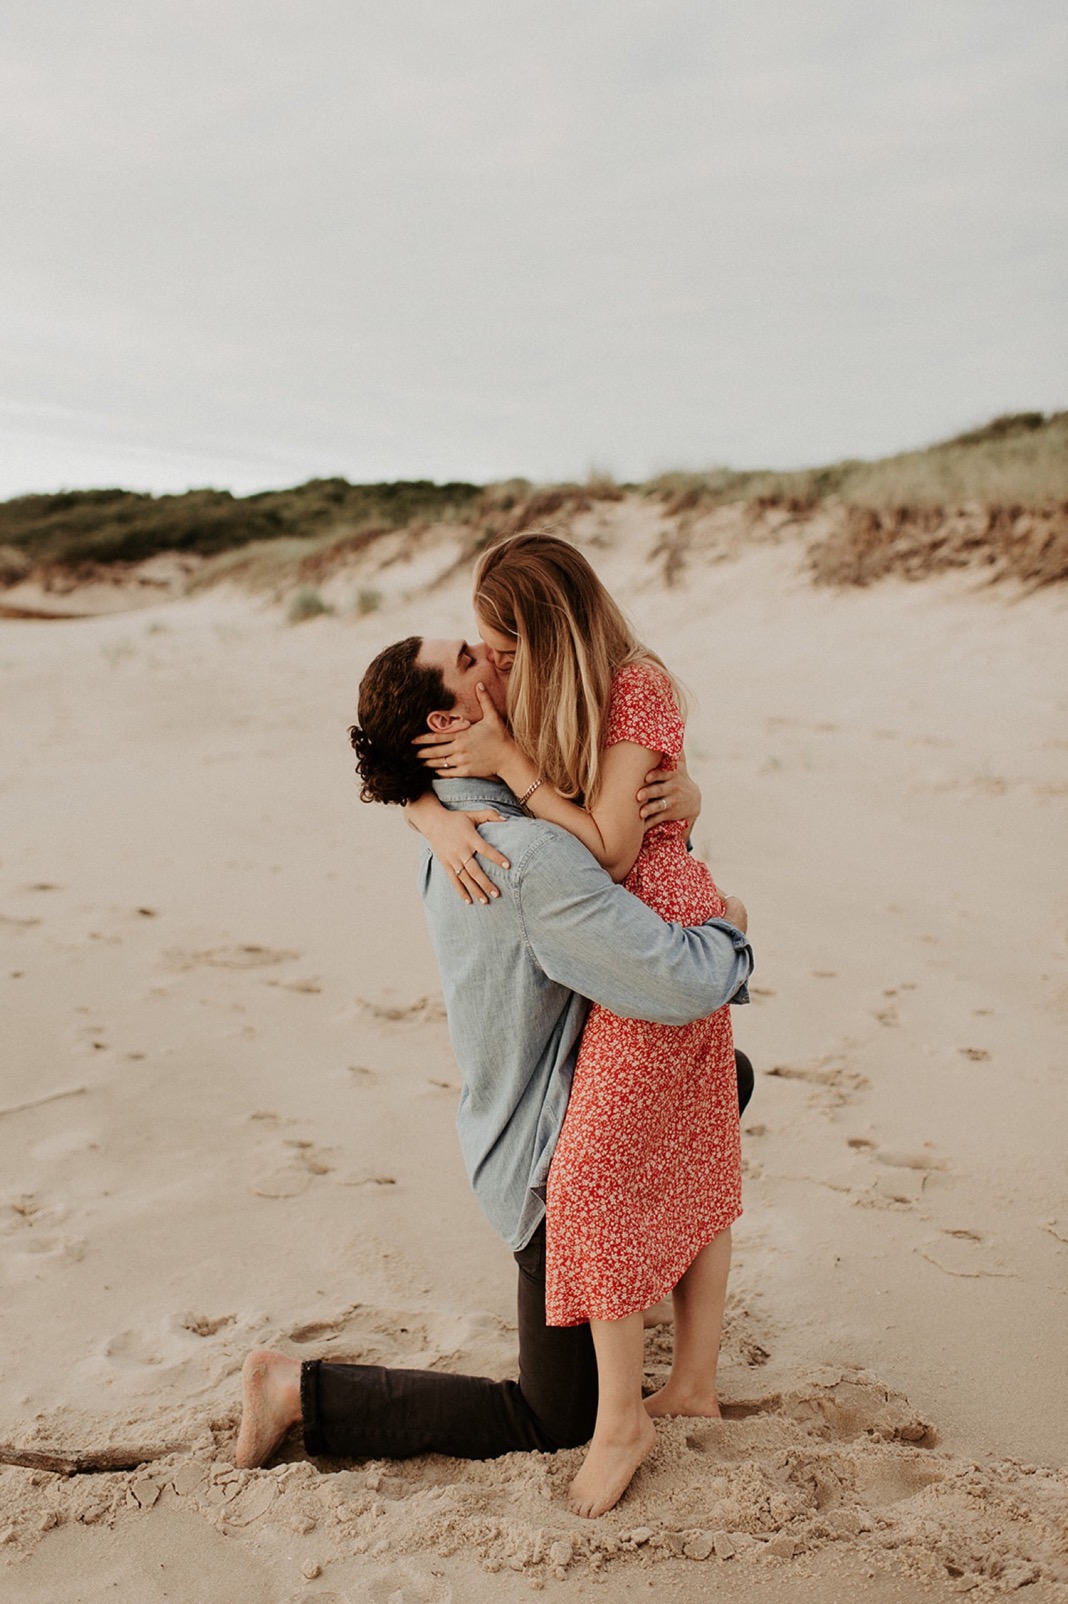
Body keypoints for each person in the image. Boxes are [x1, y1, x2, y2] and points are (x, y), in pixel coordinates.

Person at [234, 633, 754, 1488]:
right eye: (476, 658)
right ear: (451, 718)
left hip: (544, 1111)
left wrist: (682, 799)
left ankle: (642, 1268)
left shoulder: (464, 808)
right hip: (546, 1164)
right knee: (554, 1420)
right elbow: (673, 978)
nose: (499, 658)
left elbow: (621, 835)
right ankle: (296, 1389)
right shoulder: (523, 850)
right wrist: (733, 926)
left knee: (723, 1082)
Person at [406, 532, 743, 1517]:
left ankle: (629, 1416)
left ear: (548, 631)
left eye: (502, 647)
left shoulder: (634, 684)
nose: (491, 668)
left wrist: (511, 764)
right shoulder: (540, 688)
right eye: (482, 650)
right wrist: (431, 815)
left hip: (659, 937)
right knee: (693, 1139)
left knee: (596, 1170)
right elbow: (406, 755)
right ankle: (692, 1383)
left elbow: (602, 848)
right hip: (623, 945)